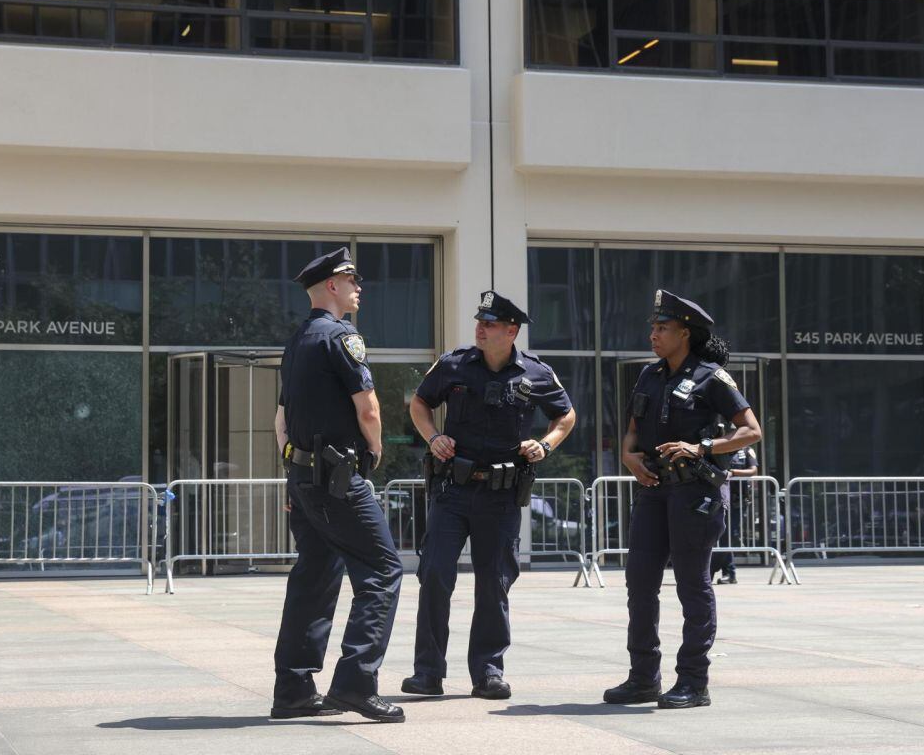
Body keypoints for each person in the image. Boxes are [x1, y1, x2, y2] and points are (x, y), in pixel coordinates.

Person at [400, 290, 576, 700]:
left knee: (493, 583)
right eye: (480, 322)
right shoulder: (454, 364)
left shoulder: (535, 374)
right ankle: (428, 673)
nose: (480, 328)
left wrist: (545, 445)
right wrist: (434, 436)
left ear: (511, 331)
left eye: (491, 324)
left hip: (500, 495)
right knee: (435, 576)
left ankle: (489, 672)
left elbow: (566, 414)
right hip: (452, 490)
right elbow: (420, 403)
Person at [603, 289, 761, 710]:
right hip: (653, 488)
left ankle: (694, 681)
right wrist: (628, 456)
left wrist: (702, 447)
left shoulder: (712, 376)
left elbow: (751, 430)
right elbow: (633, 429)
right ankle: (643, 679)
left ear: (685, 333)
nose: (653, 335)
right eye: (653, 327)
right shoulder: (649, 375)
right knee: (639, 582)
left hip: (695, 492)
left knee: (692, 584)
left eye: (662, 328)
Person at [271, 247, 405, 724]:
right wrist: (375, 450)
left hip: (303, 477)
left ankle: (292, 689)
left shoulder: (296, 341)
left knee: (314, 574)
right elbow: (367, 406)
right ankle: (355, 684)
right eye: (352, 280)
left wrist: (294, 476)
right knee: (384, 570)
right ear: (332, 286)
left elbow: (281, 420)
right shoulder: (342, 337)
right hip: (338, 479)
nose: (358, 288)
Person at [710, 443, 759, 585]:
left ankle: (713, 570)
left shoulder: (746, 451)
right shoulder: (720, 449)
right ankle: (729, 573)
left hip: (738, 502)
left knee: (730, 536)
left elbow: (753, 470)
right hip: (719, 499)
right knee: (721, 536)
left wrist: (733, 473)